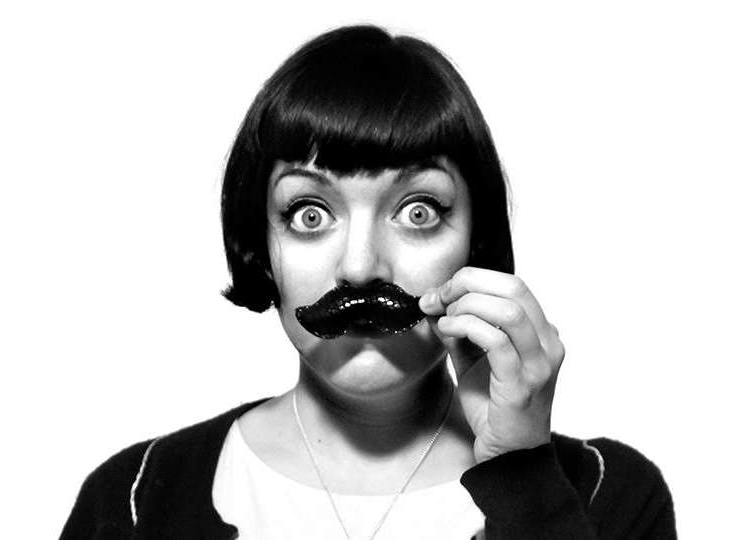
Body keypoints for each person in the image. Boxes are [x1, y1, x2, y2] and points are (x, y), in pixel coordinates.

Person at [61, 25, 676, 539]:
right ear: (262, 247)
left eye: (418, 212)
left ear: (476, 245)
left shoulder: (610, 496)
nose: (360, 267)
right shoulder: (132, 502)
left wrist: (523, 479)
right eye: (310, 214)